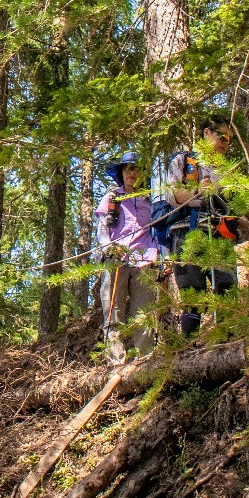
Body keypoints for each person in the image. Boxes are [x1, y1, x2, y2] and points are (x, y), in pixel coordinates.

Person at [157, 115, 246, 338]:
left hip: (221, 233)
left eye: (230, 140)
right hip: (187, 230)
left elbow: (236, 203)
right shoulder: (183, 161)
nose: (226, 143)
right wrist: (198, 191)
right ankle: (190, 346)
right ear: (207, 133)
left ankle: (227, 342)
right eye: (222, 136)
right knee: (192, 291)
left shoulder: (228, 169)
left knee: (227, 287)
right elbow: (172, 194)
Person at [94, 154, 161, 363]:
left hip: (145, 259)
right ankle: (116, 361)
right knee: (113, 313)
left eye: (136, 169)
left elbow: (157, 230)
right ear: (121, 173)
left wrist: (160, 256)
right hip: (116, 259)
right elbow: (102, 230)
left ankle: (145, 361)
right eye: (128, 169)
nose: (132, 174)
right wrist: (109, 248)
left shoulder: (150, 199)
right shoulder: (111, 198)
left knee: (144, 314)